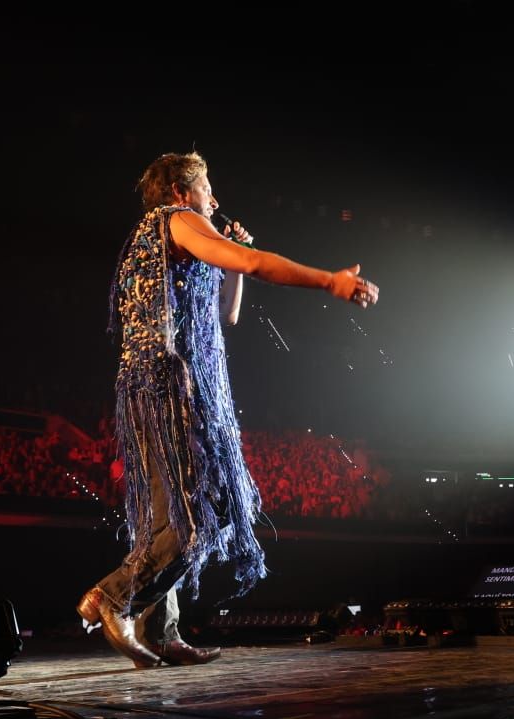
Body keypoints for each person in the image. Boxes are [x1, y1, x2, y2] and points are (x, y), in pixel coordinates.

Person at [77, 152, 378, 667]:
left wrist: (232, 252)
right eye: (206, 187)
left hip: (148, 384)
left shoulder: (165, 239)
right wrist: (329, 281)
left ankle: (161, 632)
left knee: (164, 523)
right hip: (170, 383)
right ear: (179, 190)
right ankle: (113, 597)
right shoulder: (177, 220)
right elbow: (257, 265)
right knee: (198, 521)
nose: (213, 198)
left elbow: (227, 315)